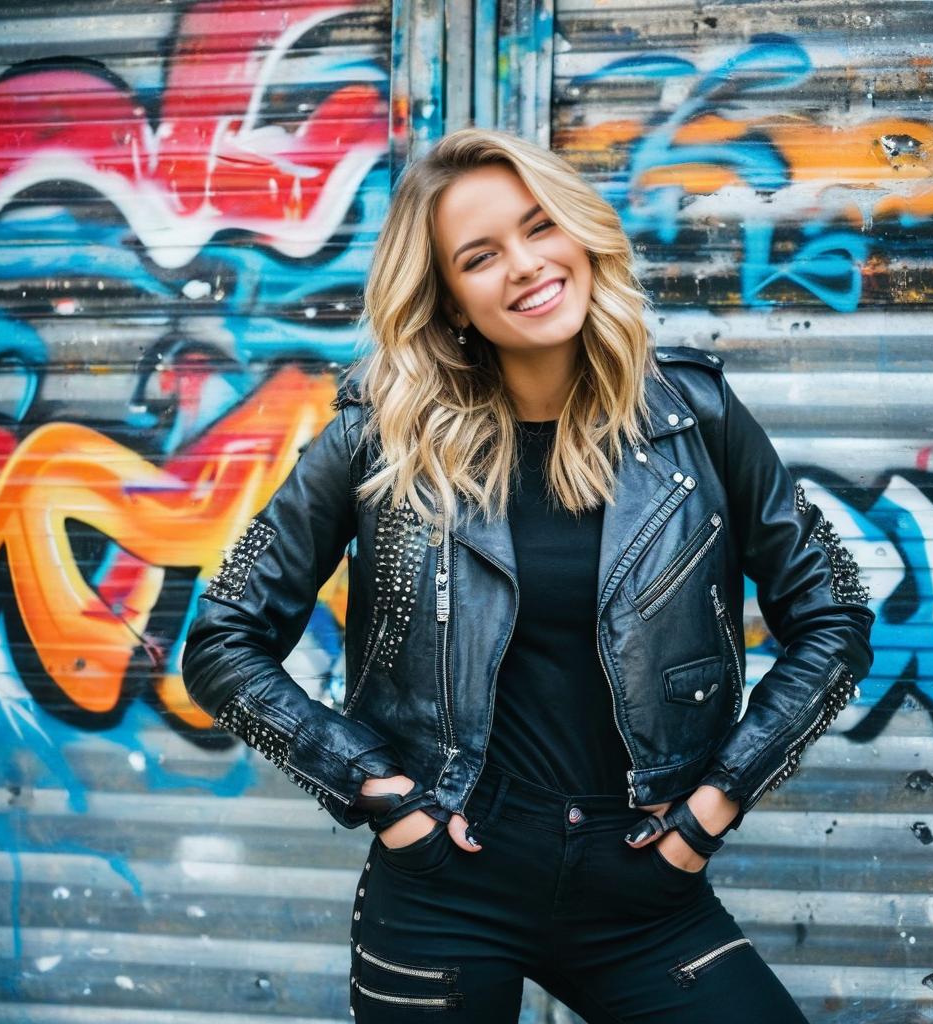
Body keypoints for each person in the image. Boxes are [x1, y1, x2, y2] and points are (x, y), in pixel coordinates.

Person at [181, 127, 874, 1023]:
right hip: (443, 891)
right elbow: (221, 642)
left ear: (580, 232)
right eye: (480, 256)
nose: (525, 265)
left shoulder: (694, 416)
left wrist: (713, 806)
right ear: (450, 302)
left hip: (643, 885)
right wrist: (378, 794)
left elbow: (835, 614)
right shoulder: (378, 440)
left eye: (540, 226)